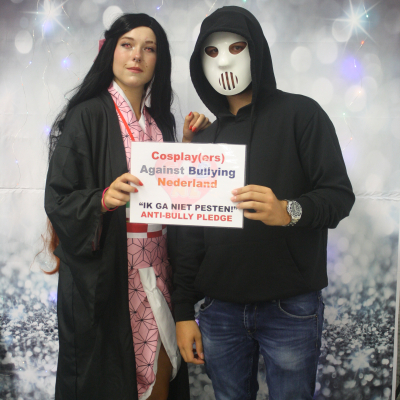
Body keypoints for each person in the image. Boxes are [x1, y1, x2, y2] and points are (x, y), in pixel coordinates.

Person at [173, 6, 355, 400]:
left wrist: (289, 211)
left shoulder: (302, 115)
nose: (224, 61)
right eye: (211, 51)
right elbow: (188, 234)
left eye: (236, 47)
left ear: (256, 49)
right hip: (219, 311)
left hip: (289, 307)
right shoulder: (203, 140)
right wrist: (183, 312)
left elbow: (338, 195)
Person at [44, 13, 210, 400]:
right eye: (127, 45)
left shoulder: (160, 122)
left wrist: (188, 148)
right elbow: (58, 198)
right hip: (110, 278)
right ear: (110, 52)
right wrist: (102, 199)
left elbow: (173, 198)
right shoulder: (87, 115)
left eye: (149, 48)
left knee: (161, 379)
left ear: (159, 60)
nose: (137, 55)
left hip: (157, 273)